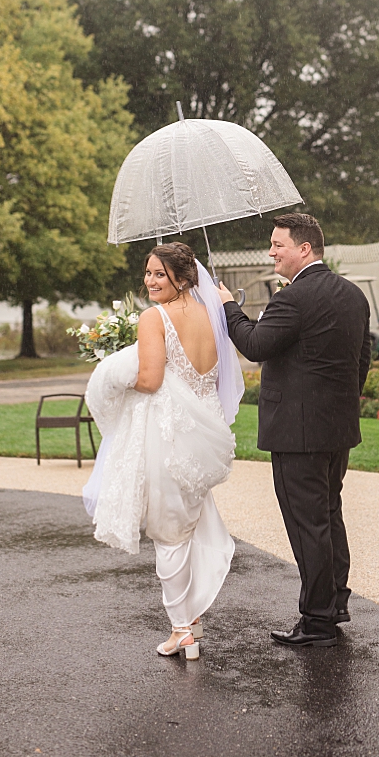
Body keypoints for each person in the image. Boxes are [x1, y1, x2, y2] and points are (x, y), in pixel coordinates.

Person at [217, 212, 372, 649]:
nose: (271, 252)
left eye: (278, 245)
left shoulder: (293, 298)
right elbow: (362, 361)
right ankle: (334, 604)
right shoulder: (352, 294)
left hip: (297, 433)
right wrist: (339, 404)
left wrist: (229, 306)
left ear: (304, 249)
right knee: (328, 516)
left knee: (308, 524)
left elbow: (255, 345)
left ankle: (318, 620)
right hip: (337, 428)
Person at [83, 242, 242, 660]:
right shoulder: (211, 314)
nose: (150, 281)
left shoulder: (154, 318)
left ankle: (181, 631)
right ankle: (191, 618)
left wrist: (116, 374)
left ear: (183, 277)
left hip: (169, 440)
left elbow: (151, 380)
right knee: (189, 526)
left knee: (169, 534)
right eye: (148, 273)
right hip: (204, 438)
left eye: (159, 274)